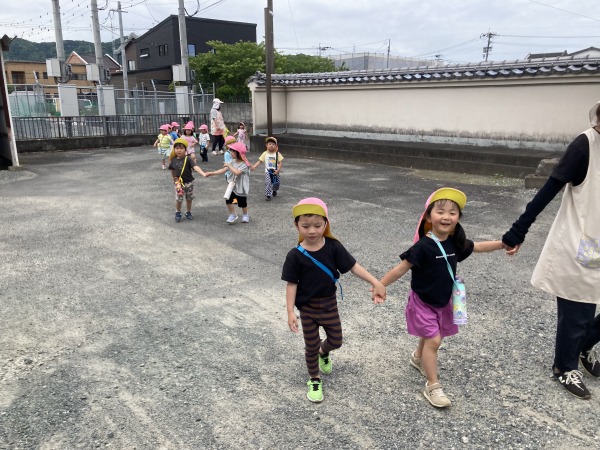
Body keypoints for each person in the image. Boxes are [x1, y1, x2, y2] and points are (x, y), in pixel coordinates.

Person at [502, 101, 600, 400]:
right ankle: (565, 367)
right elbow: (550, 188)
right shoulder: (585, 145)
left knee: (584, 316)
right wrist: (519, 229)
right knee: (579, 309)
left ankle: (583, 346)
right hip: (583, 238)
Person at [380, 187, 511, 408]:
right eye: (440, 211)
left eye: (452, 212)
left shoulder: (454, 242)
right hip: (422, 302)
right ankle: (432, 385)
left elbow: (478, 246)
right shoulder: (423, 246)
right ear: (428, 217)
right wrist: (380, 284)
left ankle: (418, 358)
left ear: (458, 217)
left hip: (443, 301)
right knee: (434, 339)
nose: (446, 216)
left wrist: (502, 244)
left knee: (431, 334)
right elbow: (401, 269)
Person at [282, 197, 386, 403]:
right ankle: (314, 378)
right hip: (308, 308)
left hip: (329, 304)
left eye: (317, 225)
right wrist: (290, 311)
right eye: (305, 226)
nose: (312, 231)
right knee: (310, 345)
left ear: (326, 224)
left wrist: (376, 282)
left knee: (336, 341)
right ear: (296, 226)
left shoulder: (333, 247)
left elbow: (353, 266)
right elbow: (291, 284)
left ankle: (323, 352)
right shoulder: (294, 255)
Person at [206, 141, 251, 223]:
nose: (230, 153)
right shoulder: (232, 161)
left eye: (232, 151)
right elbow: (224, 170)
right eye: (230, 151)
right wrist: (212, 173)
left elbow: (237, 172)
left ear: (238, 153)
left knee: (242, 203)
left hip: (241, 187)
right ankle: (233, 214)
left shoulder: (244, 164)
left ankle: (245, 214)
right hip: (232, 186)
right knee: (228, 199)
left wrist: (229, 165)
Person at [168, 138, 207, 222]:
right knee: (179, 199)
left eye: (181, 148)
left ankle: (188, 212)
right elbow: (172, 170)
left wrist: (202, 173)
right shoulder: (173, 160)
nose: (179, 150)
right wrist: (174, 179)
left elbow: (195, 166)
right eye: (177, 148)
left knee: (189, 199)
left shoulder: (188, 159)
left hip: (189, 183)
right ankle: (178, 212)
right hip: (178, 183)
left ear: (185, 150)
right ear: (174, 149)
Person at [251, 136, 283, 201]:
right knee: (268, 182)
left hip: (275, 171)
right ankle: (268, 195)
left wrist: (278, 170)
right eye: (270, 144)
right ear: (266, 145)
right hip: (268, 171)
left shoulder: (277, 154)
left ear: (276, 146)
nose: (271, 145)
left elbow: (280, 163)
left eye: (273, 144)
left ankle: (274, 190)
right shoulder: (265, 153)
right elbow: (260, 161)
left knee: (277, 183)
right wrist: (254, 166)